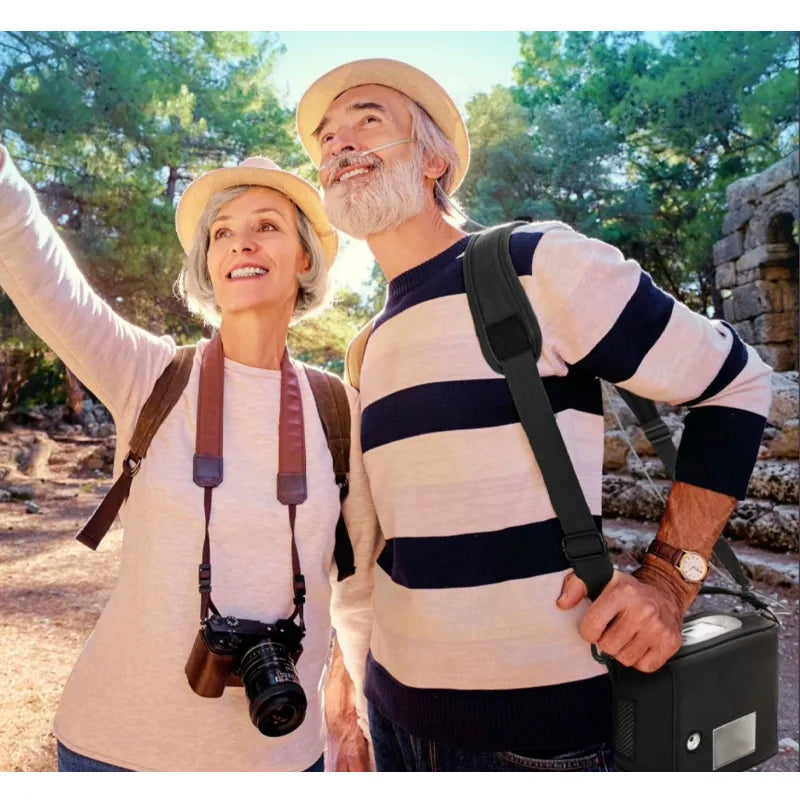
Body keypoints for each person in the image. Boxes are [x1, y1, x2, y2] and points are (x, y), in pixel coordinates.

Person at [295, 58, 773, 772]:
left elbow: (737, 385)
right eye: (326, 140)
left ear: (435, 160)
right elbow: (375, 551)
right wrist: (348, 683)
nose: (338, 146)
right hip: (394, 720)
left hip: (540, 742)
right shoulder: (366, 347)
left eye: (367, 120)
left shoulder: (535, 263)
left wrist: (672, 577)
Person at [0, 148, 376, 772]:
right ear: (208, 260)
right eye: (222, 232)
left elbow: (358, 596)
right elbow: (37, 270)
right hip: (114, 748)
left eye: (267, 226)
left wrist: (349, 713)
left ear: (304, 256)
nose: (241, 244)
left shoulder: (342, 411)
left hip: (283, 755)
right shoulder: (150, 374)